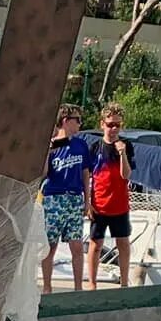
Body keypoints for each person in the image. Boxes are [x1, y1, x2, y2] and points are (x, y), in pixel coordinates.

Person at [40, 103, 94, 294]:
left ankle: (78, 287)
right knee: (51, 245)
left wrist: (87, 200)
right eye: (77, 120)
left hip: (74, 198)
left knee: (76, 245)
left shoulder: (80, 145)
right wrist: (47, 151)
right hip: (54, 198)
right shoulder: (52, 143)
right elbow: (44, 173)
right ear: (65, 121)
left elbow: (86, 172)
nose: (80, 124)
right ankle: (47, 287)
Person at [85, 102, 135, 288]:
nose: (113, 128)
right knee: (95, 244)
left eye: (117, 125)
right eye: (110, 124)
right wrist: (87, 202)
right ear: (102, 124)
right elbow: (88, 177)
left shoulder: (126, 146)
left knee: (123, 242)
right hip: (99, 204)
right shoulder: (95, 148)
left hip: (120, 205)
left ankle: (124, 281)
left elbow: (126, 175)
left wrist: (122, 154)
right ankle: (92, 282)